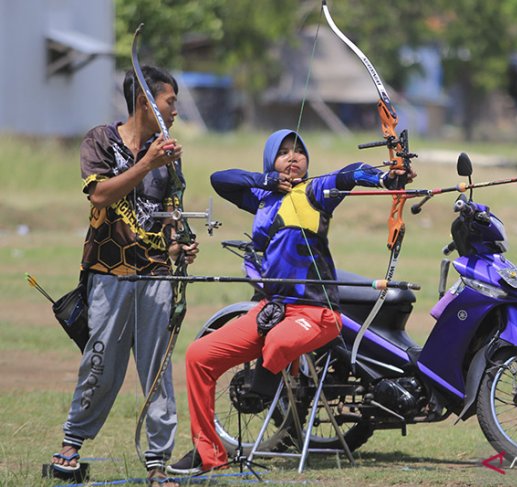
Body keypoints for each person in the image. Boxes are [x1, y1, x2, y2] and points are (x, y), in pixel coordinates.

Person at [167, 129, 415, 475]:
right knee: (198, 357)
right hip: (272, 310)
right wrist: (265, 181)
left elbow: (351, 173)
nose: (293, 157)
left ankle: (265, 383)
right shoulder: (262, 198)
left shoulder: (316, 191)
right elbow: (219, 180)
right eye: (283, 152)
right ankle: (208, 454)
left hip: (318, 313)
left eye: (299, 151)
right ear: (271, 161)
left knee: (279, 341)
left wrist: (385, 177)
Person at [49, 65, 198, 487]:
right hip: (108, 273)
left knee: (159, 372)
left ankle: (157, 465)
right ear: (145, 102)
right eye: (170, 101)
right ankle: (71, 445)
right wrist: (147, 161)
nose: (176, 110)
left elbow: (171, 218)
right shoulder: (101, 140)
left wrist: (179, 246)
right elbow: (99, 193)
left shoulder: (169, 156)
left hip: (156, 276)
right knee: (101, 364)